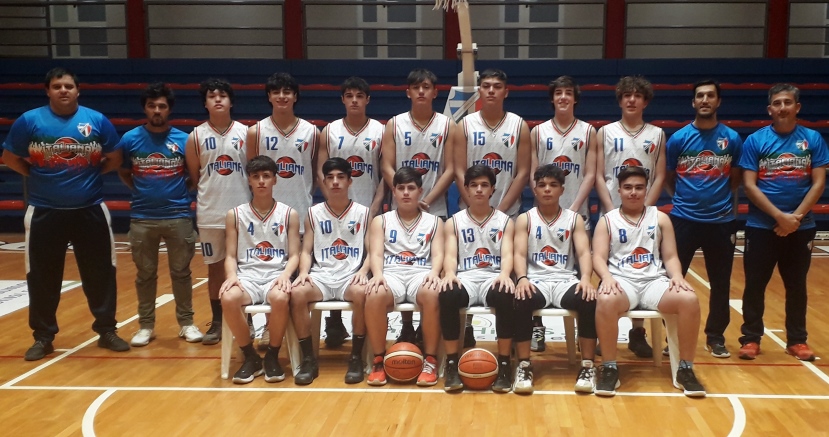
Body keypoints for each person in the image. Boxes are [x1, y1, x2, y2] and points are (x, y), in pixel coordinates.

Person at [3, 67, 129, 360]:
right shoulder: (29, 121)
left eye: (68, 86)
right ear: (47, 90)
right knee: (42, 277)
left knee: (100, 273)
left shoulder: (96, 120)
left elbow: (115, 157)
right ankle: (43, 337)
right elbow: (9, 157)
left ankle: (107, 330)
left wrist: (91, 174)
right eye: (57, 86)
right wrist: (35, 175)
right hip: (45, 211)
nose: (63, 90)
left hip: (90, 209)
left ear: (78, 90)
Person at [592, 166, 705, 398]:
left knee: (689, 299)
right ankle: (609, 368)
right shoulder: (608, 220)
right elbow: (598, 258)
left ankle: (685, 368)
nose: (633, 192)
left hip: (654, 281)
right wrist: (607, 278)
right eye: (628, 187)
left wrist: (677, 276)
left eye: (639, 187)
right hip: (622, 281)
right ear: (619, 190)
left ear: (646, 190)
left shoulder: (660, 218)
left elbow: (670, 257)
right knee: (605, 299)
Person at [736, 83, 829, 362]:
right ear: (770, 109)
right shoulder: (756, 140)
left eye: (787, 102)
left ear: (797, 107)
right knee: (755, 285)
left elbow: (818, 182)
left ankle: (797, 340)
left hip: (801, 226)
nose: (782, 107)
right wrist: (780, 217)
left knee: (796, 285)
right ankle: (751, 339)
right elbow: (749, 185)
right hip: (761, 226)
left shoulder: (812, 139)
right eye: (777, 103)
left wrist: (795, 218)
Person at [117, 83, 203, 346]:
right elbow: (124, 172)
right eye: (152, 105)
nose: (156, 110)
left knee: (181, 273)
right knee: (145, 275)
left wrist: (178, 192)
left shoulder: (184, 140)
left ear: (169, 109)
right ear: (145, 108)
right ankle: (146, 326)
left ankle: (186, 323)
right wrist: (140, 191)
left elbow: (195, 176)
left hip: (178, 215)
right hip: (142, 217)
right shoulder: (130, 139)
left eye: (162, 106)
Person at [665, 79, 743, 358]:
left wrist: (715, 199)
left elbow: (735, 179)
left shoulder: (732, 139)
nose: (705, 100)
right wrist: (685, 199)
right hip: (683, 220)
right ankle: (671, 337)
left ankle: (716, 337)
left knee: (721, 284)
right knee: (673, 281)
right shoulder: (679, 139)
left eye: (710, 96)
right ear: (693, 102)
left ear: (718, 101)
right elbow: (669, 178)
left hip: (721, 222)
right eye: (700, 96)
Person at [380, 68, 457, 346]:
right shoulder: (394, 124)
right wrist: (405, 192)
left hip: (434, 207)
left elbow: (450, 169)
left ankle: (428, 329)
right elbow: (386, 165)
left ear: (435, 92)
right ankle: (406, 327)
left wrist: (427, 199)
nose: (421, 91)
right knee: (403, 261)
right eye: (416, 87)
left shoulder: (448, 125)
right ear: (408, 92)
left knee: (430, 271)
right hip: (402, 205)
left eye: (426, 87)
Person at [594, 75, 666, 358]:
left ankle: (638, 334)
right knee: (607, 270)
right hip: (612, 211)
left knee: (641, 266)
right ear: (620, 100)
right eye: (627, 95)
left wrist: (646, 208)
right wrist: (611, 209)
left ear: (645, 101)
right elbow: (599, 174)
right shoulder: (605, 132)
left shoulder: (657, 134)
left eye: (637, 95)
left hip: (643, 212)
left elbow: (659, 175)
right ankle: (602, 333)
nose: (632, 100)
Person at [246, 72, 318, 349]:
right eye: (276, 91)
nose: (282, 96)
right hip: (266, 217)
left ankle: (301, 333)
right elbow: (251, 172)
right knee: (269, 271)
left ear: (295, 96)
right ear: (269, 96)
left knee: (297, 280)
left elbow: (314, 173)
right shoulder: (256, 131)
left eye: (287, 91)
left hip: (301, 212)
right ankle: (267, 327)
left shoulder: (311, 132)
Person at [513, 164, 598, 394]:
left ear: (562, 189)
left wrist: (586, 278)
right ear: (535, 190)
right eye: (542, 185)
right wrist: (522, 278)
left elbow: (583, 253)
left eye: (553, 185)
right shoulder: (525, 219)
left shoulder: (574, 219)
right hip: (536, 280)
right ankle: (524, 365)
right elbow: (519, 253)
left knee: (589, 299)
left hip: (564, 280)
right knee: (520, 299)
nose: (547, 189)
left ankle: (588, 366)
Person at [528, 75, 598, 353]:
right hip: (544, 212)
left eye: (568, 92)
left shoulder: (588, 131)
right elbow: (534, 173)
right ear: (552, 98)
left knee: (580, 276)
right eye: (558, 93)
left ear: (575, 98)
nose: (563, 97)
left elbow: (590, 173)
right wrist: (544, 201)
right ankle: (537, 328)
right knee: (537, 271)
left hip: (577, 211)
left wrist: (573, 208)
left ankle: (584, 332)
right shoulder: (538, 132)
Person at [289, 157, 372, 384]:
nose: (335, 182)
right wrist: (304, 273)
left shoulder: (364, 213)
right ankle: (309, 358)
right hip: (321, 276)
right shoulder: (313, 213)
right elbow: (306, 251)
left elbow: (373, 252)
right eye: (330, 178)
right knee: (297, 293)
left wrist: (363, 271)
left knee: (363, 292)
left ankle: (356, 357)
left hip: (350, 275)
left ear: (349, 181)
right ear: (324, 182)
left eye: (341, 177)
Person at [219, 155, 300, 384]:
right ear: (249, 181)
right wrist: (231, 276)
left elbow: (294, 255)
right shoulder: (235, 215)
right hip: (247, 276)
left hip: (276, 274)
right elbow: (230, 255)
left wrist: (285, 275)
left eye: (266, 176)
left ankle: (272, 355)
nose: (261, 181)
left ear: (275, 180)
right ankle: (250, 356)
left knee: (280, 297)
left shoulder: (289, 214)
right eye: (256, 177)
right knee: (228, 297)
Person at [318, 77, 384, 349]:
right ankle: (334, 323)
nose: (354, 100)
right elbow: (321, 170)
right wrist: (332, 204)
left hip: (368, 208)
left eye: (359, 95)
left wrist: (375, 207)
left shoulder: (380, 130)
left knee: (365, 265)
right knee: (334, 261)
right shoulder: (330, 131)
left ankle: (365, 328)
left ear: (367, 100)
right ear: (343, 100)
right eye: (349, 95)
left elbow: (385, 173)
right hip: (336, 210)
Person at [364, 167, 444, 386]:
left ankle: (430, 360)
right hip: (392, 273)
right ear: (394, 191)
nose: (406, 193)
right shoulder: (381, 221)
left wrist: (434, 273)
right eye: (401, 188)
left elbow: (438, 254)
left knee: (433, 293)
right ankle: (378, 360)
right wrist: (377, 274)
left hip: (421, 273)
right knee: (374, 293)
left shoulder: (435, 222)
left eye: (411, 188)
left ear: (420, 191)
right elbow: (376, 253)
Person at [185, 78, 250, 345]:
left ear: (231, 101)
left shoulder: (247, 133)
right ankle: (217, 321)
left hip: (242, 213)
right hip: (210, 213)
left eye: (223, 95)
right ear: (205, 103)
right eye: (212, 96)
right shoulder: (196, 136)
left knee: (246, 267)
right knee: (215, 270)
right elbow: (195, 176)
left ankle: (246, 320)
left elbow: (252, 172)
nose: (218, 100)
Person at [440, 165, 516, 393]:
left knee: (505, 294)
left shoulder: (505, 221)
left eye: (484, 185)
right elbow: (450, 255)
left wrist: (505, 274)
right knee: (447, 294)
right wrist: (450, 273)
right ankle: (452, 363)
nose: (479, 190)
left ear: (493, 189)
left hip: (493, 276)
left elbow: (508, 254)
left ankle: (505, 364)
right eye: (474, 185)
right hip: (466, 277)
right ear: (466, 189)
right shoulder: (454, 222)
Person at [456, 68, 530, 219]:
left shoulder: (519, 125)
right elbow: (459, 172)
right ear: (479, 91)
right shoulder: (465, 125)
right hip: (470, 212)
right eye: (486, 86)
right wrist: (475, 208)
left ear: (506, 92)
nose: (491, 91)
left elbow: (523, 173)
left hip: (508, 213)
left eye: (497, 87)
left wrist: (500, 212)